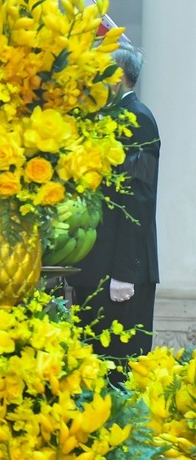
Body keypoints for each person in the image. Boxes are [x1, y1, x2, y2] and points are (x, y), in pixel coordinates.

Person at [67, 44, 160, 384]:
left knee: (118, 373)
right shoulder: (110, 117)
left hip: (120, 274)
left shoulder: (137, 119)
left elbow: (138, 197)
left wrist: (125, 272)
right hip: (99, 268)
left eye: (98, 73)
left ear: (117, 76)